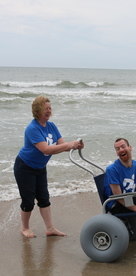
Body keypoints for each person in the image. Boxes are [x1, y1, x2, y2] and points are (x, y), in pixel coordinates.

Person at [14, 95, 84, 238]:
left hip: (40, 167)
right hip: (24, 167)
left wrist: (75, 146)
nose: (48, 111)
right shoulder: (32, 128)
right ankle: (25, 228)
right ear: (37, 110)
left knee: (44, 198)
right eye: (45, 108)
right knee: (28, 200)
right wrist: (68, 144)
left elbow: (62, 146)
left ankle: (50, 228)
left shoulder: (51, 126)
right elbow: (45, 149)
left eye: (50, 108)